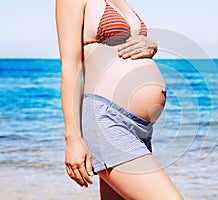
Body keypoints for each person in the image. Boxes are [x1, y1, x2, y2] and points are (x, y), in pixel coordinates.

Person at [56, 0, 183, 199]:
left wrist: (151, 45)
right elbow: (71, 66)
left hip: (141, 128)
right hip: (108, 120)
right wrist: (72, 139)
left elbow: (125, 45)